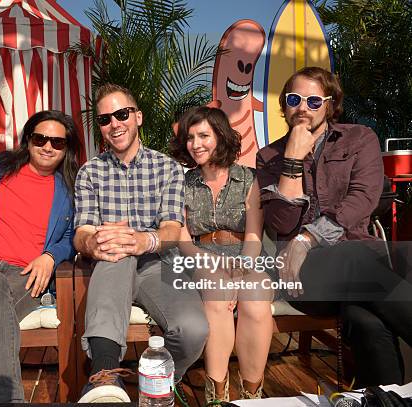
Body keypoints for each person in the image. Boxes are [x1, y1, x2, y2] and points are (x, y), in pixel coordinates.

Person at [256, 66, 412, 387]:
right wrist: (293, 160)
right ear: (284, 105)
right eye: (294, 99)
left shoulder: (359, 138)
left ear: (329, 104)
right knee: (358, 260)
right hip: (304, 277)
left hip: (362, 266)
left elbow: (363, 199)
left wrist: (308, 238)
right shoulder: (269, 156)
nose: (303, 108)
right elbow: (280, 222)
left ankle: (384, 397)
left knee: (364, 320)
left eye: (314, 101)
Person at [74, 83, 209, 403]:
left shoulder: (168, 168)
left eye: (121, 114)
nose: (114, 124)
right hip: (110, 262)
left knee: (193, 330)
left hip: (157, 263)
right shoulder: (89, 171)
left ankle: (160, 382)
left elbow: (172, 230)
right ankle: (104, 378)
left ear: (138, 117)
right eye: (105, 119)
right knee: (114, 251)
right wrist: (94, 243)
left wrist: (142, 241)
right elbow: (82, 231)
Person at [0, 110, 79, 403]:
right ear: (28, 140)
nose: (48, 146)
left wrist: (51, 256)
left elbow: (72, 237)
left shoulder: (70, 188)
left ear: (66, 149)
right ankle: (11, 399)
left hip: (26, 274)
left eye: (57, 142)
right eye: (40, 138)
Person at [170, 106, 272, 403]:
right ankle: (218, 396)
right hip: (199, 255)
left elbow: (254, 235)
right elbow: (183, 239)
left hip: (246, 253)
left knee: (254, 298)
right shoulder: (182, 182)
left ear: (222, 137)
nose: (195, 144)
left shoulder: (249, 179)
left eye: (204, 135)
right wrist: (209, 261)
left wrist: (242, 266)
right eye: (190, 138)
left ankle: (252, 396)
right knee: (217, 291)